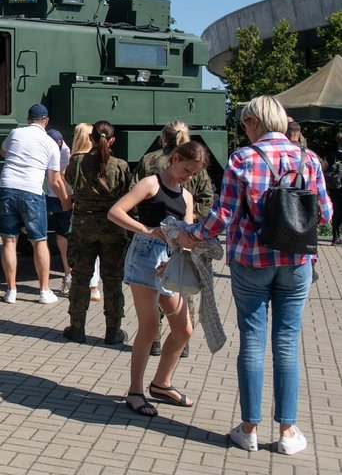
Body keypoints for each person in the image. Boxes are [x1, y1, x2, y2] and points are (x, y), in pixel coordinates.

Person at [179, 96, 332, 454]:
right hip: (296, 262)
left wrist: (195, 235)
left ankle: (248, 428)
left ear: (254, 122)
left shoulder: (243, 159)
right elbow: (324, 214)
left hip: (251, 260)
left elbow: (224, 215)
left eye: (245, 123)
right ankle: (288, 432)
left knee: (252, 340)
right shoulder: (308, 159)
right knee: (287, 342)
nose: (244, 130)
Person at [108, 141, 208, 417]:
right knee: (150, 326)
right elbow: (115, 212)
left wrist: (186, 253)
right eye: (187, 170)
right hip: (143, 256)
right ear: (175, 159)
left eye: (194, 174)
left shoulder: (187, 196)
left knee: (184, 329)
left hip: (169, 261)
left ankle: (161, 384)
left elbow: (186, 235)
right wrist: (147, 230)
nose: (189, 177)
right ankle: (135, 391)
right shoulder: (150, 183)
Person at [133, 120, 215, 358]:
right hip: (183, 236)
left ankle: (156, 342)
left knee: (151, 295)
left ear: (163, 137)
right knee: (180, 288)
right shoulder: (197, 165)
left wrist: (146, 224)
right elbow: (207, 199)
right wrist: (188, 217)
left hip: (151, 236)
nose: (188, 177)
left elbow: (133, 193)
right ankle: (181, 343)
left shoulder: (149, 160)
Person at [62, 121, 131, 345]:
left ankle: (77, 328)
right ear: (112, 140)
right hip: (113, 228)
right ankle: (113, 331)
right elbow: (127, 193)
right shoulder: (120, 165)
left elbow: (69, 181)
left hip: (84, 227)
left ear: (91, 138)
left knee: (80, 278)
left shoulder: (77, 161)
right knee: (113, 281)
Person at [0, 103, 71, 304]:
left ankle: (10, 291)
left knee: (9, 241)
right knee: (39, 241)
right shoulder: (50, 144)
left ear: (28, 120)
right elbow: (55, 181)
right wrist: (66, 202)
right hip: (32, 192)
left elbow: (3, 153)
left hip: (7, 187)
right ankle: (44, 291)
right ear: (46, 122)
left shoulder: (15, 133)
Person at [70, 123, 102, 302]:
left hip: (80, 212)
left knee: (81, 252)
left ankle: (80, 288)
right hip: (99, 214)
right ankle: (94, 287)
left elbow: (69, 187)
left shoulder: (75, 160)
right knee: (96, 252)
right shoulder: (102, 158)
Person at [45, 128, 72, 295]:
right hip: (57, 193)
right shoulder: (61, 147)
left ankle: (69, 275)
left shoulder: (63, 150)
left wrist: (65, 200)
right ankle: (69, 275)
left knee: (63, 234)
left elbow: (59, 178)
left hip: (59, 194)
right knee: (62, 234)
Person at [328, 131, 342, 245]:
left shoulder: (332, 155)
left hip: (335, 187)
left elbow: (324, 167)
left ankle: (336, 237)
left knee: (336, 211)